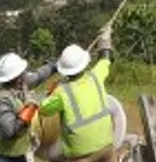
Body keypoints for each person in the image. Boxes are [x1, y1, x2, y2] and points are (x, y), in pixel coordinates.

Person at [38, 25, 116, 162]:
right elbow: (105, 59)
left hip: (80, 155)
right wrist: (105, 39)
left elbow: (43, 109)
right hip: (106, 147)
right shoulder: (96, 75)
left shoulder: (61, 92)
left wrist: (54, 88)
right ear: (84, 64)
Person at [0, 52, 57, 162]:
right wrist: (29, 108)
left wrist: (55, 66)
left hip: (16, 155)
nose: (26, 74)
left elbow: (39, 75)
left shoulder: (21, 86)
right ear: (18, 78)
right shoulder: (2, 100)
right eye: (23, 72)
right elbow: (10, 131)